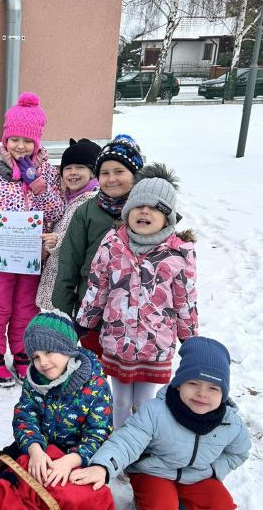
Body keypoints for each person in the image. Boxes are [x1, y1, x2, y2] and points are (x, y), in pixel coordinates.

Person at [71, 337, 251, 510]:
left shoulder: (230, 423)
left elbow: (239, 452)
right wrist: (102, 466)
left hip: (194, 477)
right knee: (161, 508)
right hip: (154, 472)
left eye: (213, 388)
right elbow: (126, 441)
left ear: (224, 393)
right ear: (179, 384)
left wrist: (213, 470)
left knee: (221, 505)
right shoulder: (156, 411)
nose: (202, 394)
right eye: (193, 383)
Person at [77, 165, 198, 428]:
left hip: (155, 344)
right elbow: (97, 287)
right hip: (117, 340)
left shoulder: (178, 254)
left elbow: (185, 300)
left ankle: (142, 442)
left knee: (144, 401)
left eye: (154, 208)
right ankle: (119, 441)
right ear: (127, 212)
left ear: (168, 218)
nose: (144, 211)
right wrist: (85, 321)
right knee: (120, 400)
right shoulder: (112, 245)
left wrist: (190, 338)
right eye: (138, 206)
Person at [0, 92, 65, 387]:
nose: (20, 146)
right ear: (5, 139)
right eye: (14, 139)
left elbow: (57, 211)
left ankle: (23, 355)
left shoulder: (47, 173)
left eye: (27, 141)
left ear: (37, 143)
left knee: (26, 308)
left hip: (31, 257)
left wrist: (38, 184)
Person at [52, 134, 144, 355]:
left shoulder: (147, 212)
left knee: (127, 373)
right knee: (95, 366)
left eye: (119, 172)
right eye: (105, 172)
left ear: (135, 175)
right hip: (91, 313)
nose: (111, 179)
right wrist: (62, 313)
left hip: (137, 317)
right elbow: (69, 264)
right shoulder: (86, 212)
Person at [12, 311, 112, 488]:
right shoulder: (34, 380)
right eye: (36, 357)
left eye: (48, 351)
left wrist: (71, 460)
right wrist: (34, 448)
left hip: (78, 458)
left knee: (73, 496)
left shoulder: (95, 384)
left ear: (68, 349)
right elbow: (25, 415)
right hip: (40, 449)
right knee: (12, 478)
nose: (43, 362)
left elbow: (99, 433)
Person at [36, 138, 102, 311]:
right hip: (54, 279)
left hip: (73, 286)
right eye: (67, 168)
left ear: (93, 172)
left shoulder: (92, 201)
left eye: (80, 167)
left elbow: (85, 242)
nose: (73, 173)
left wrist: (57, 241)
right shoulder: (64, 199)